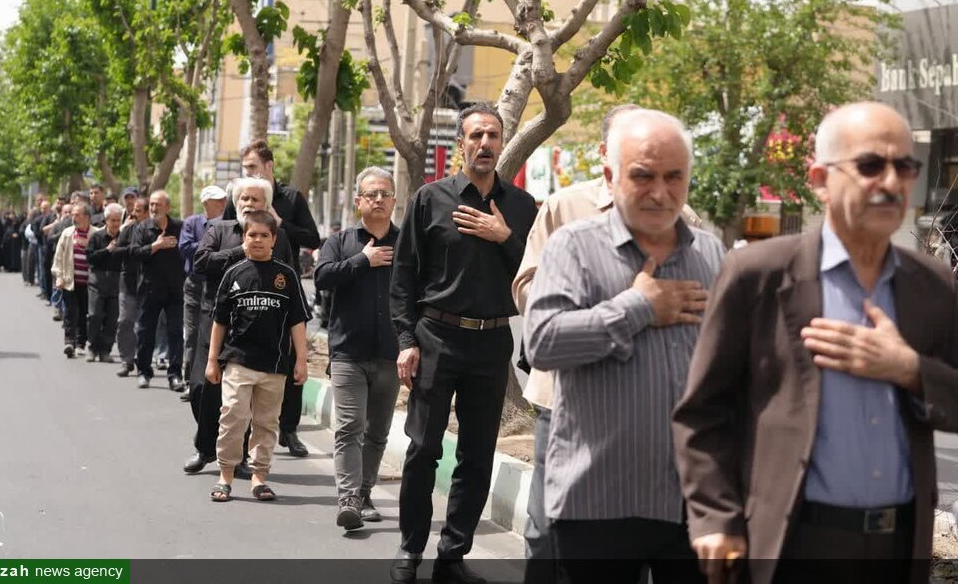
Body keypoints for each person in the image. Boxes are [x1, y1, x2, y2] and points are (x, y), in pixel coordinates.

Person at [672, 102, 958, 584]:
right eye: (871, 165)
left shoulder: (932, 284)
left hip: (899, 546)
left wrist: (909, 369)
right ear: (821, 180)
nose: (891, 182)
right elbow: (703, 413)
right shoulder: (757, 275)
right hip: (792, 543)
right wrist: (716, 518)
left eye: (905, 166)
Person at [523, 109, 723, 584]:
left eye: (674, 177)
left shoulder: (709, 252)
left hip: (690, 505)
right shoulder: (572, 246)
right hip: (600, 504)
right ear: (610, 176)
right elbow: (543, 342)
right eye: (643, 176)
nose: (660, 192)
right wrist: (637, 308)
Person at [389, 102, 538, 584]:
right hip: (435, 338)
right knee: (423, 449)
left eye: (492, 135)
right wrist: (407, 339)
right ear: (461, 144)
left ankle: (452, 555)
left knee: (476, 456)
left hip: (491, 343)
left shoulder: (522, 207)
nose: (485, 144)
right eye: (476, 135)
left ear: (502, 143)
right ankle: (410, 548)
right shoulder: (430, 200)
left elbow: (537, 273)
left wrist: (505, 236)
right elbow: (403, 276)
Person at [186, 178, 298, 476]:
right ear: (235, 202)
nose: (249, 203)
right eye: (244, 198)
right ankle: (205, 448)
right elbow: (201, 262)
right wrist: (241, 251)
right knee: (202, 388)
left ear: (266, 205)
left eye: (255, 199)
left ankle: (240, 458)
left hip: (257, 330)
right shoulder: (218, 230)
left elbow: (289, 279)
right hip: (216, 322)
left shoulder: (278, 237)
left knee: (245, 398)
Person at [314, 166, 401, 530]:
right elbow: (322, 277)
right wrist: (362, 261)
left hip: (392, 355)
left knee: (378, 431)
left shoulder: (408, 243)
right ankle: (348, 498)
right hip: (348, 352)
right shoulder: (340, 241)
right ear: (358, 201)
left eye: (385, 194)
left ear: (394, 200)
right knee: (350, 427)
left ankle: (364, 494)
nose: (378, 200)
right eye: (371, 194)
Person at [223, 140, 321, 458]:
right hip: (245, 295)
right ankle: (237, 443)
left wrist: (280, 223)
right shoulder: (237, 196)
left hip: (283, 291)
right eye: (245, 169)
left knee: (289, 363)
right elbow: (225, 231)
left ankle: (288, 430)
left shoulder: (290, 198)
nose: (248, 174)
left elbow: (313, 237)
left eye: (253, 167)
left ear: (269, 166)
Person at [205, 209, 310, 503]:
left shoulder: (287, 276)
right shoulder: (233, 274)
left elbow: (297, 322)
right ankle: (225, 476)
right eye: (252, 235)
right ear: (244, 238)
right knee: (233, 416)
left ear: (274, 239)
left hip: (274, 365)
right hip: (238, 361)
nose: (258, 240)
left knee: (266, 423)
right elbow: (219, 322)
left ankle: (259, 477)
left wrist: (301, 360)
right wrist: (212, 360)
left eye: (265, 235)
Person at [130, 190, 185, 391]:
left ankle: (175, 375)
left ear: (167, 207)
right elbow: (134, 253)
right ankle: (144, 372)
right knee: (145, 332)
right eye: (151, 204)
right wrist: (156, 246)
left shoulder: (179, 227)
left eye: (158, 205)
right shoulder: (142, 228)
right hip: (150, 289)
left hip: (175, 289)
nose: (153, 208)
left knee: (175, 332)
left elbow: (189, 251)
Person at [178, 185, 227, 399]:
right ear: (206, 202)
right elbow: (186, 248)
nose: (223, 203)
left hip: (217, 287)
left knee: (214, 335)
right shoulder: (192, 223)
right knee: (192, 334)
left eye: (224, 199)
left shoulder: (227, 225)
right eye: (218, 200)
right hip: (195, 286)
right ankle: (191, 382)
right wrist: (211, 242)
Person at [52, 204, 97, 358]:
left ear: (87, 217)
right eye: (73, 214)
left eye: (77, 215)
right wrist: (59, 277)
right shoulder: (67, 233)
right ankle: (69, 342)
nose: (74, 218)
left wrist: (88, 245)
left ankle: (80, 343)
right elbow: (58, 257)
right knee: (70, 313)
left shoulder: (96, 234)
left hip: (90, 283)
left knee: (84, 314)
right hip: (70, 281)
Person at [86, 203, 127, 363]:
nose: (115, 224)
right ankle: (92, 347)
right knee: (95, 315)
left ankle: (105, 350)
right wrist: (107, 250)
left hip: (116, 283)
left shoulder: (123, 238)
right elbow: (90, 258)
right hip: (97, 281)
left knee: (112, 318)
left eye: (118, 220)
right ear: (106, 220)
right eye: (112, 220)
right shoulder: (96, 237)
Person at [115, 196, 149, 376]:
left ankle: (142, 360)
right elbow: (116, 250)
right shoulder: (128, 229)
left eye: (138, 210)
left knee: (143, 325)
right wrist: (133, 249)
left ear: (147, 213)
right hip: (128, 284)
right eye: (134, 210)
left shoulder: (154, 230)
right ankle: (126, 360)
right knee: (125, 321)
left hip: (148, 285)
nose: (134, 214)